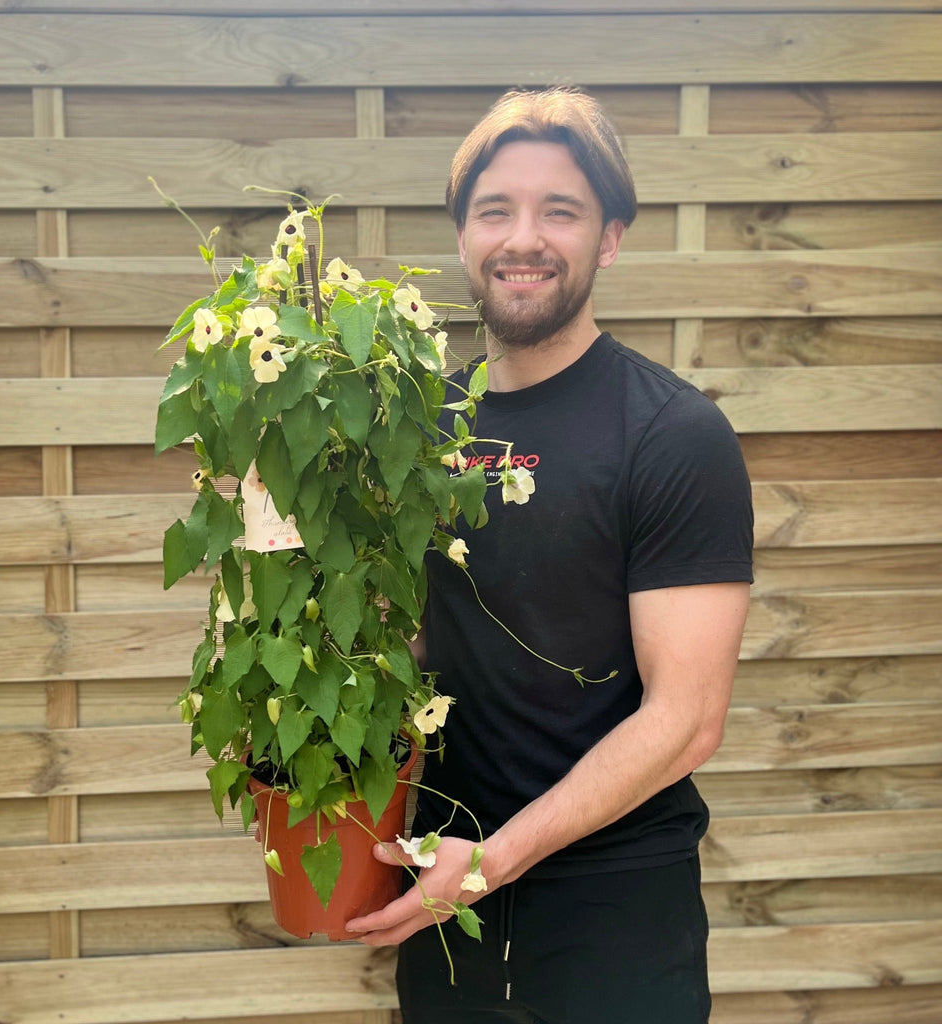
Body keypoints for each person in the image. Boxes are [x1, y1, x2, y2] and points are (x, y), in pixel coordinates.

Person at [346, 87, 753, 1024]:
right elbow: (393, 643)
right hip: (442, 901)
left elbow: (687, 721)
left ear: (609, 237)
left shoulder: (672, 435)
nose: (522, 238)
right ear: (463, 236)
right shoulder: (415, 428)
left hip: (612, 918)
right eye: (496, 209)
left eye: (559, 211)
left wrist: (489, 863)